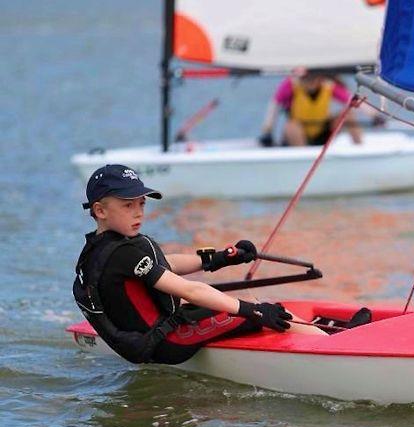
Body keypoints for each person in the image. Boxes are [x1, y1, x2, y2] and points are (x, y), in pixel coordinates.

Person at [72, 164, 326, 366]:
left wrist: (220, 258)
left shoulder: (100, 248)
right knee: (271, 310)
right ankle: (332, 346)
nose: (139, 212)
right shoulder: (123, 253)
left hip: (157, 335)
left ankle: (324, 338)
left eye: (142, 203)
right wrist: (253, 311)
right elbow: (190, 291)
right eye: (128, 205)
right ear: (100, 211)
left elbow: (165, 264)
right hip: (168, 342)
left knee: (247, 308)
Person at [258, 73, 383, 147]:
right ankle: (302, 162)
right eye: (306, 79)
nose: (309, 83)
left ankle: (360, 150)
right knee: (291, 126)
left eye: (313, 79)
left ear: (318, 78)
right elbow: (274, 105)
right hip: (299, 135)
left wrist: (374, 116)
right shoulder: (290, 85)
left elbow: (352, 100)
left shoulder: (327, 85)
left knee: (348, 115)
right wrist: (267, 131)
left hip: (322, 131)